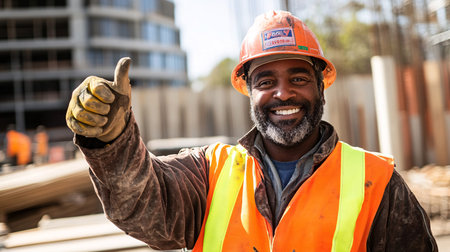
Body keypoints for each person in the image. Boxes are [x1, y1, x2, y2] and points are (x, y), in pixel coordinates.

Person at [66, 10, 437, 252]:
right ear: (249, 92)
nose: (283, 92)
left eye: (298, 77)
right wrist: (112, 141)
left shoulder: (377, 182)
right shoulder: (210, 173)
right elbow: (144, 208)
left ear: (320, 87)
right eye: (266, 81)